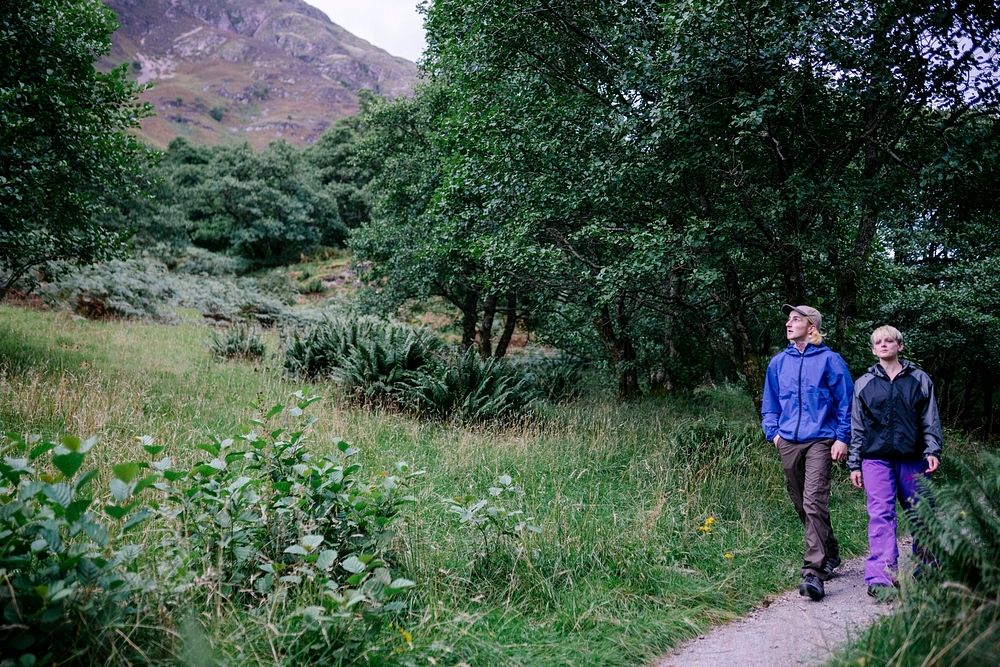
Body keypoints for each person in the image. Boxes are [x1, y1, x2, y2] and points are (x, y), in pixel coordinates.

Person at [761, 304, 853, 602]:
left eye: (796, 319)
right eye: (788, 319)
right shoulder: (778, 363)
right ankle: (829, 549)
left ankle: (813, 572)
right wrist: (773, 433)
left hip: (820, 441)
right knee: (801, 501)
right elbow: (770, 403)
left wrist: (842, 438)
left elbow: (845, 403)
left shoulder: (830, 361)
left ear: (811, 327)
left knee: (814, 499)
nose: (789, 323)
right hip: (787, 440)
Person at [848, 325, 942, 599]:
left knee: (922, 514)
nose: (884, 345)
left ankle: (928, 571)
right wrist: (854, 464)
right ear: (873, 349)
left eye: (890, 341)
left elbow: (930, 420)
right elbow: (858, 427)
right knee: (881, 516)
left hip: (913, 458)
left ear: (900, 346)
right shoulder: (864, 383)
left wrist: (932, 451)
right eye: (879, 342)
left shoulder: (919, 379)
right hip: (875, 459)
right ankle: (882, 578)